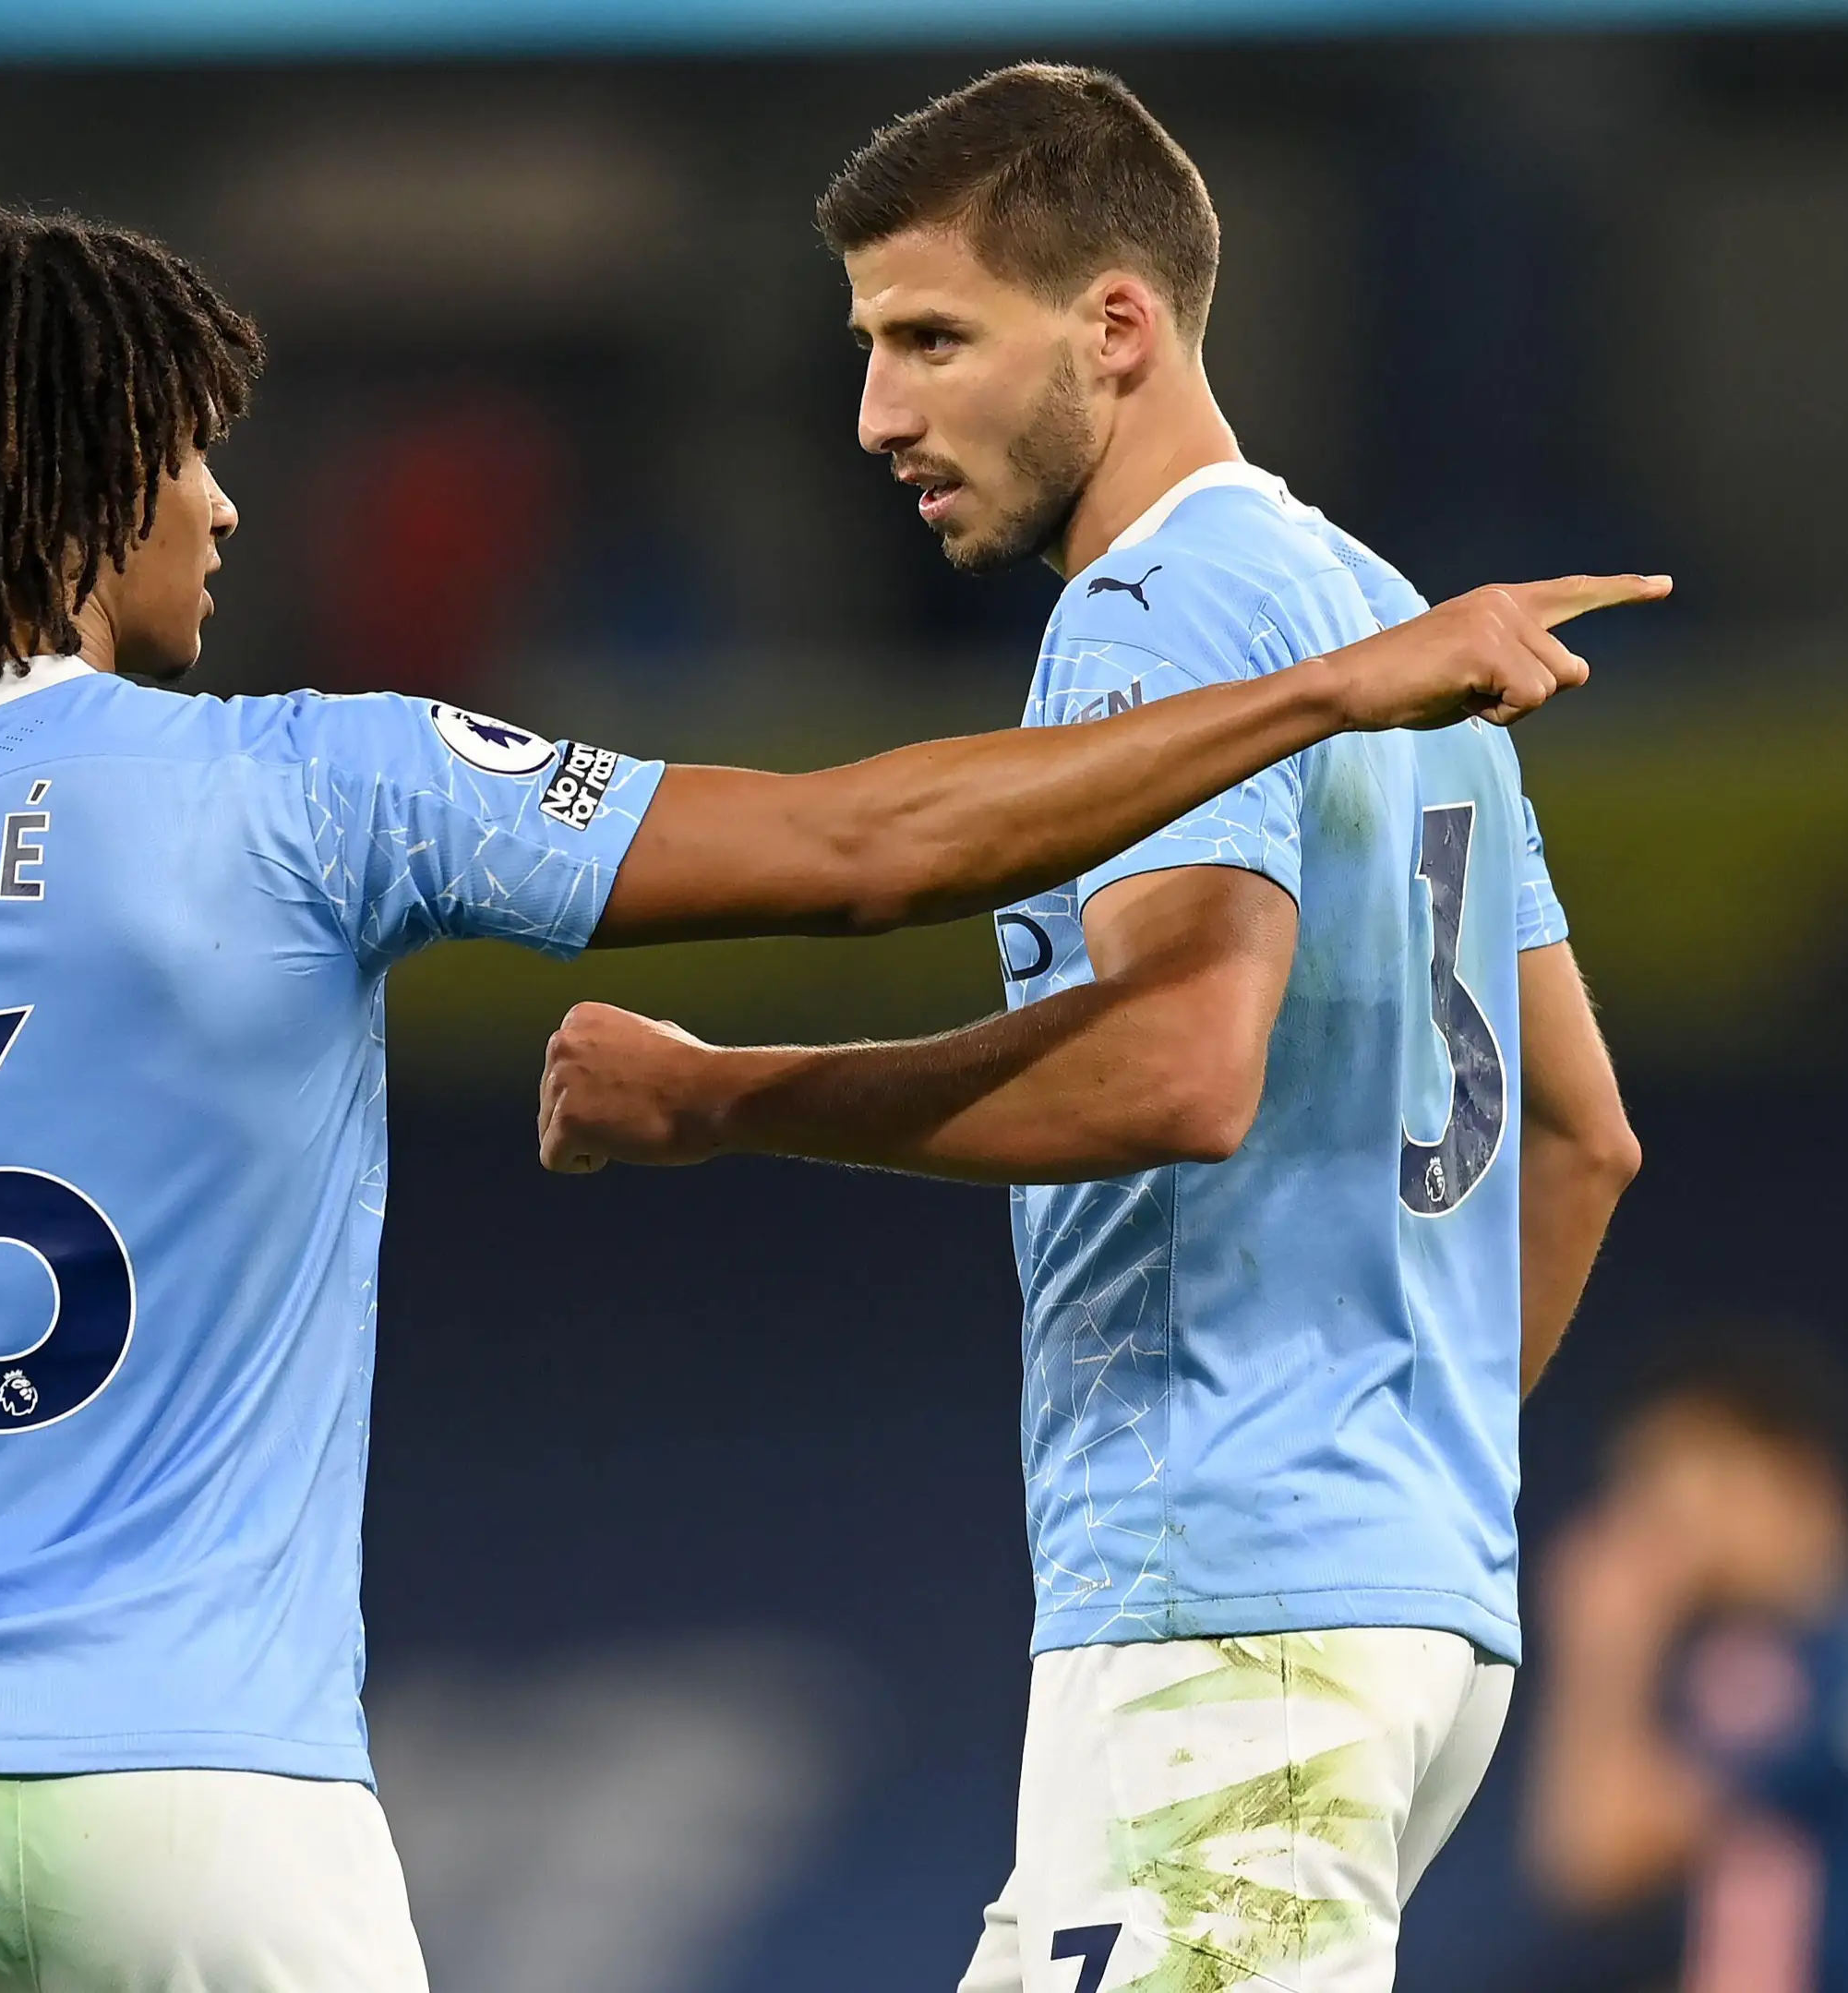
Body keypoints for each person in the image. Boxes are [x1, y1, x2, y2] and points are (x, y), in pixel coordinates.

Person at [0, 200, 1656, 1993]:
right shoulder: (316, 786)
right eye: (188, 458)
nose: (230, 506)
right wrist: (1328, 691)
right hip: (219, 1807)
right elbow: (866, 839)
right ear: (76, 485)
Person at [532, 66, 1653, 1993]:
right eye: (873, 347)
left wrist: (723, 1096)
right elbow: (1582, 1136)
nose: (879, 411)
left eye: (931, 338)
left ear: (1114, 325)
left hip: (1236, 1626)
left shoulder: (1155, 613)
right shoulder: (1380, 617)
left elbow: (1177, 1064)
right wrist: (1399, 1491)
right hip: (1388, 1613)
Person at [1528, 1335, 1848, 1993]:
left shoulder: (1841, 1661)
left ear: (1793, 1474)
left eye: (1685, 1483)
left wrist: (1603, 1648)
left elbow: (1593, 1854)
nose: (1662, 1532)